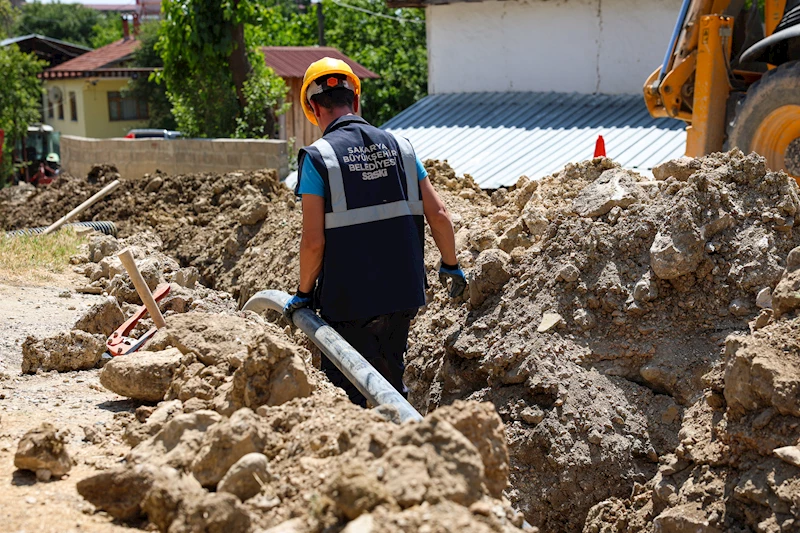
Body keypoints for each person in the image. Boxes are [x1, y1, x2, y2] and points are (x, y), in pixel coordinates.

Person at [282, 57, 466, 407]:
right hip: (401, 294)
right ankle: (402, 444)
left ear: (311, 107)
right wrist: (451, 264)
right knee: (391, 383)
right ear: (355, 100)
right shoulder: (402, 148)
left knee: (346, 397)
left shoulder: (319, 157)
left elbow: (313, 241)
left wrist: (303, 292)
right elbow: (440, 215)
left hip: (348, 301)